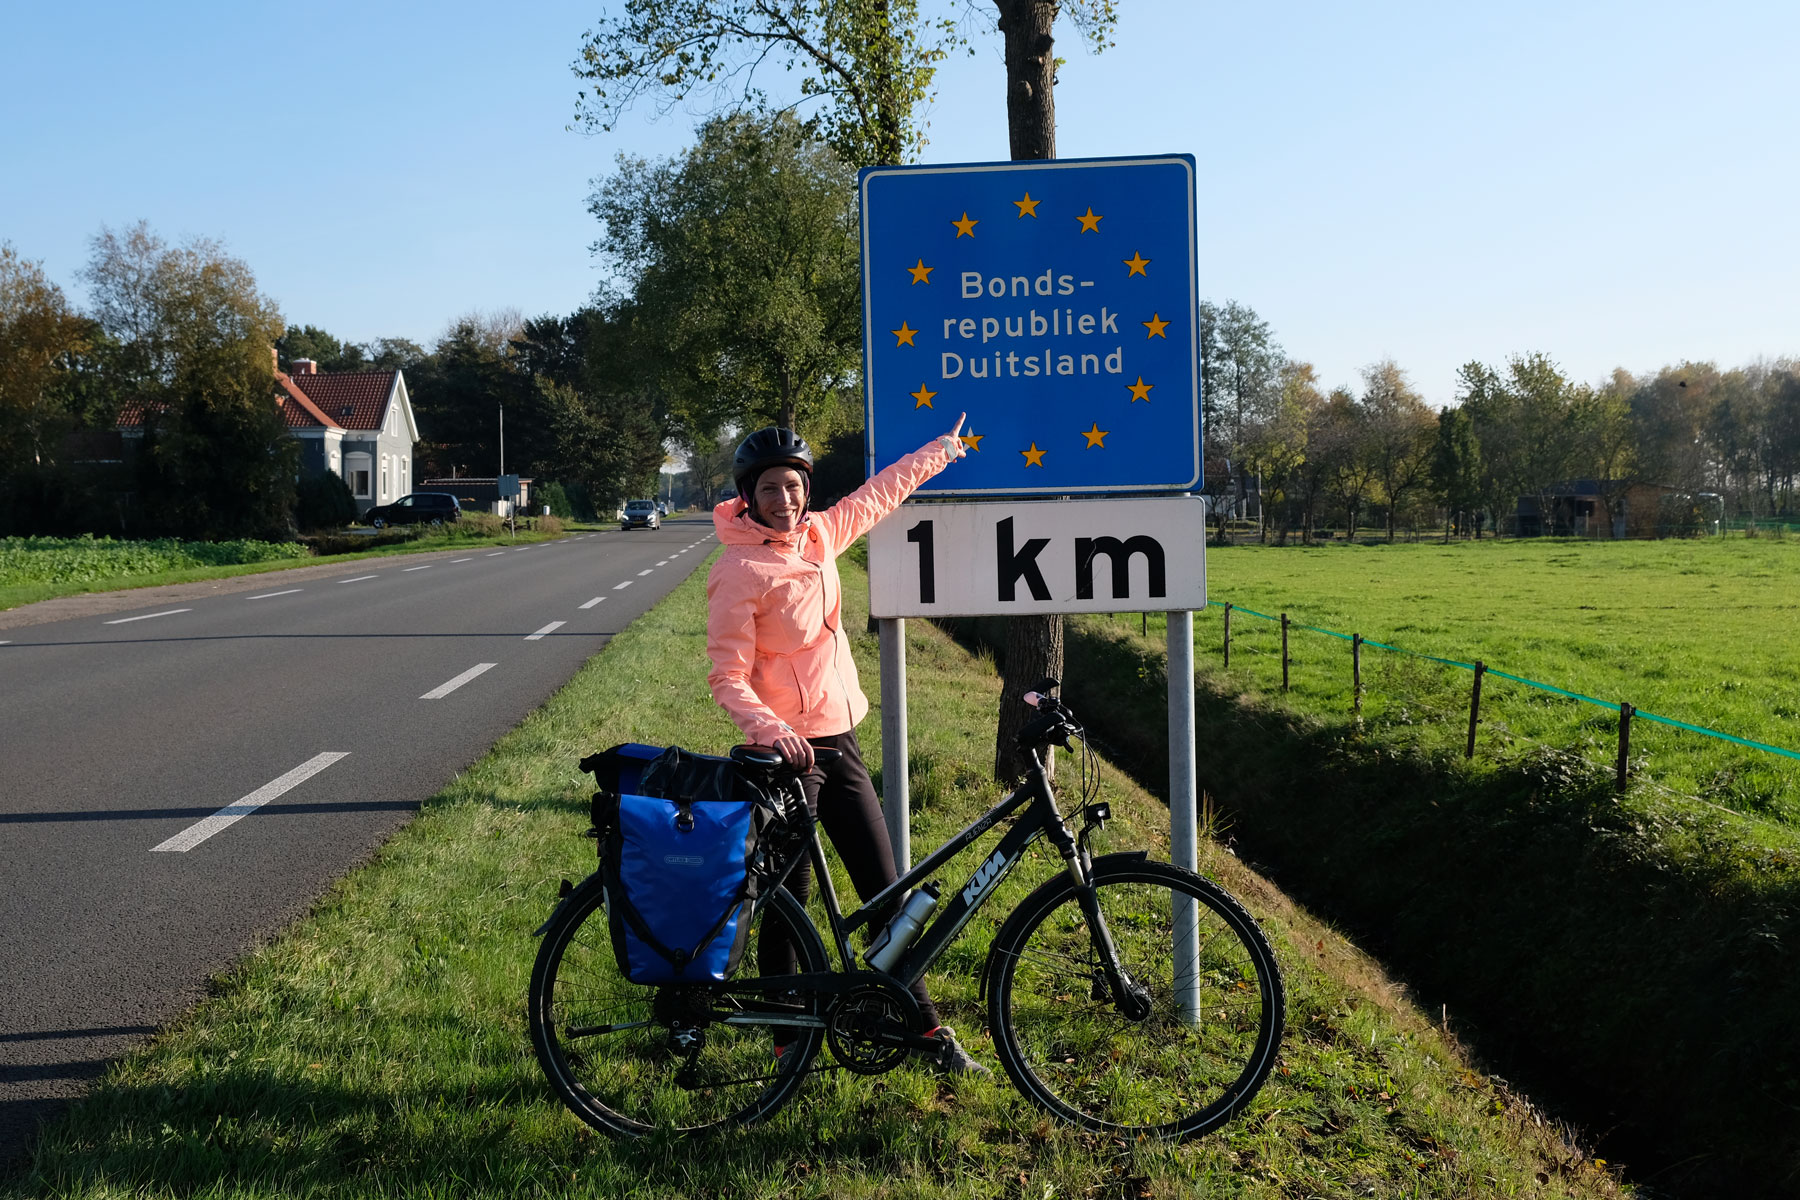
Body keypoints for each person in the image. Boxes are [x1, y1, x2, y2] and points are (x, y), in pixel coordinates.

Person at [705, 417, 989, 1076]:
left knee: (886, 892)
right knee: (787, 902)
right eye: (771, 488)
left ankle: (924, 1033)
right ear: (749, 495)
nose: (785, 499)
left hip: (840, 738)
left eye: (794, 486)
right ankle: (786, 1043)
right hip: (786, 760)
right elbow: (727, 676)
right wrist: (772, 730)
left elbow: (882, 493)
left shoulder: (821, 535)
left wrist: (944, 450)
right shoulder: (739, 569)